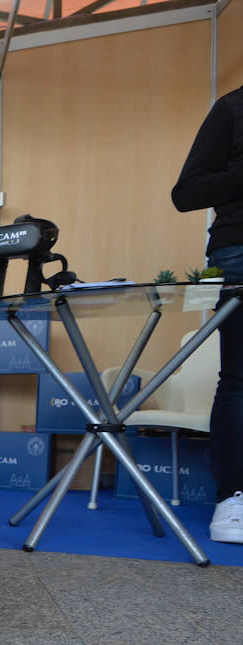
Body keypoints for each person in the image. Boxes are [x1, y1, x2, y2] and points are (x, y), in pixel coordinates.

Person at [171, 84, 243, 544]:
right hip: (240, 245)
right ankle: (234, 499)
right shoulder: (233, 107)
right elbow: (186, 192)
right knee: (240, 378)